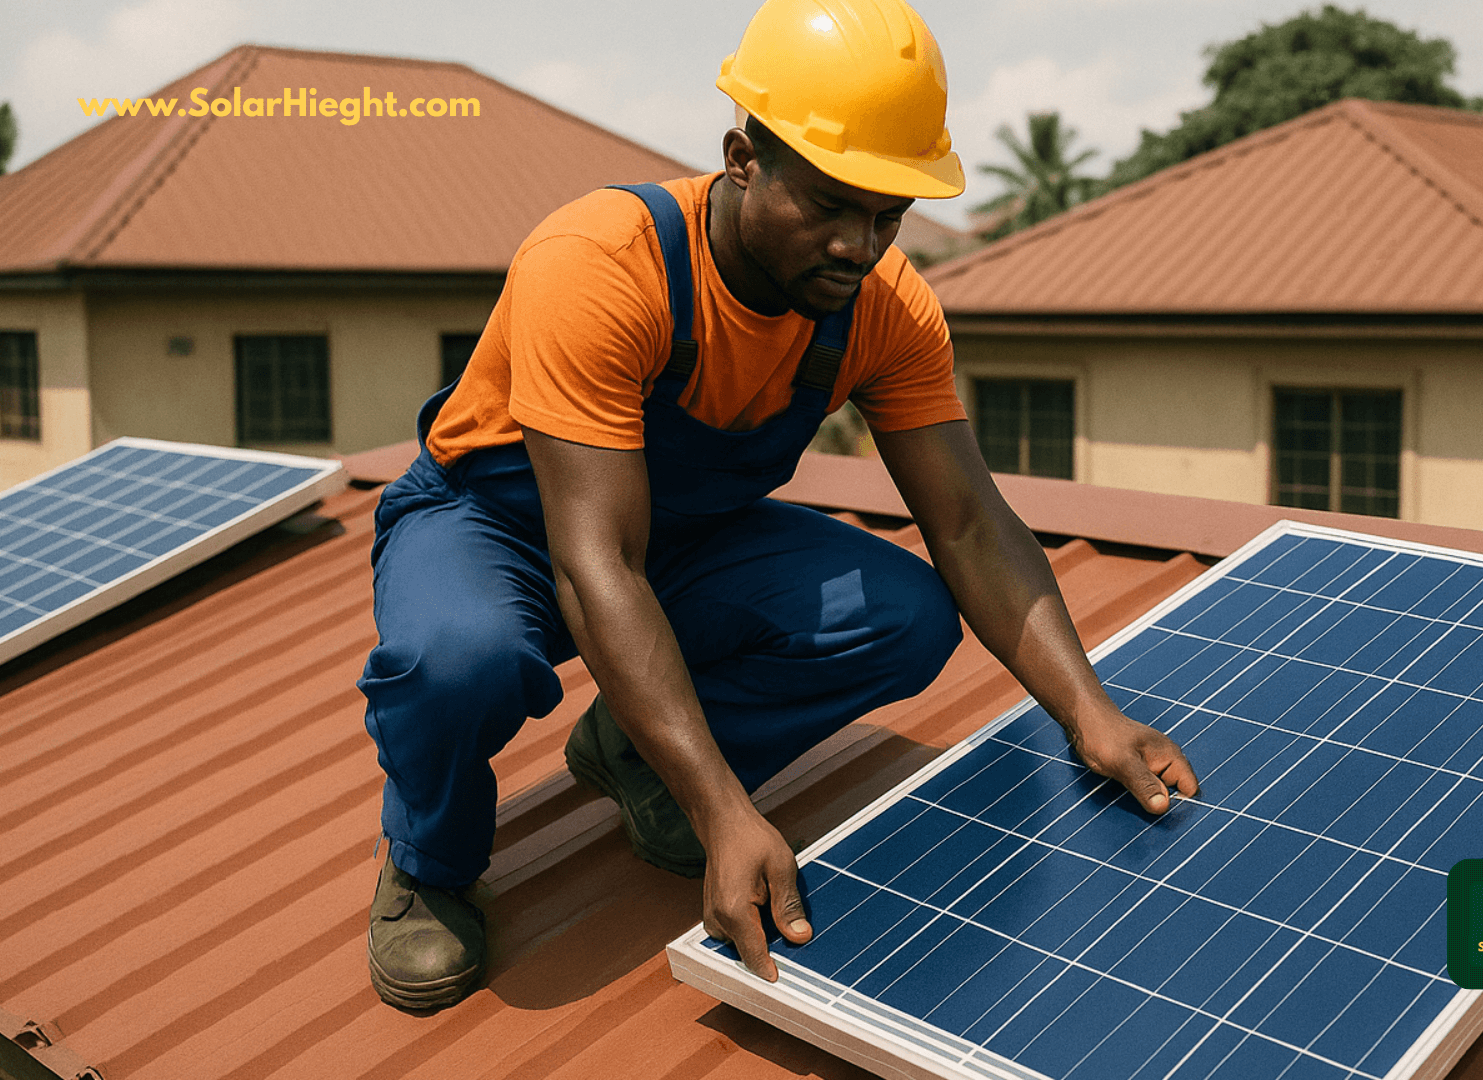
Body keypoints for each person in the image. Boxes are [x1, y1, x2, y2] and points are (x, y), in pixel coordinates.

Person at [357, 0, 1202, 1012]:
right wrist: (726, 815)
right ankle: (429, 864)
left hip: (680, 538)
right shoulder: (598, 265)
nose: (859, 245)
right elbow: (596, 568)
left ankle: (635, 754)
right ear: (742, 157)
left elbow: (970, 526)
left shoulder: (883, 310)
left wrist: (1089, 714)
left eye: (887, 216)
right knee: (459, 661)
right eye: (832, 204)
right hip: (499, 524)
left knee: (902, 612)